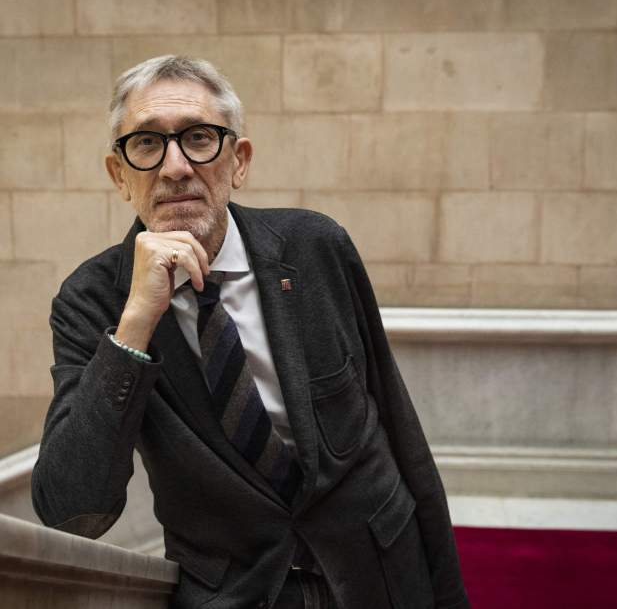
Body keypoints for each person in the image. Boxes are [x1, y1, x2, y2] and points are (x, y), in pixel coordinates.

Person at [32, 55, 469, 609]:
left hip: (381, 575)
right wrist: (136, 321)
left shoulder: (316, 247)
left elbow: (401, 431)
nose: (175, 167)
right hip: (239, 595)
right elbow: (70, 509)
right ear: (120, 175)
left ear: (238, 161)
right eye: (146, 143)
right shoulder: (91, 300)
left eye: (199, 138)